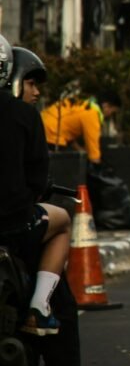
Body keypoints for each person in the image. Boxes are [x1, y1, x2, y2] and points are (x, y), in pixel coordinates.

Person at [0, 36, 72, 338]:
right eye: (31, 84)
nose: (36, 92)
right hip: (13, 223)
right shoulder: (24, 115)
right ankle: (40, 308)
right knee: (64, 221)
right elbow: (38, 179)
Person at [40, 90, 122, 165]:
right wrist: (98, 165)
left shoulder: (83, 105)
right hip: (51, 134)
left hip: (41, 125)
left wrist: (80, 150)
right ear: (106, 106)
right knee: (68, 167)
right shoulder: (92, 114)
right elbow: (93, 151)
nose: (111, 115)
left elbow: (67, 130)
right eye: (113, 112)